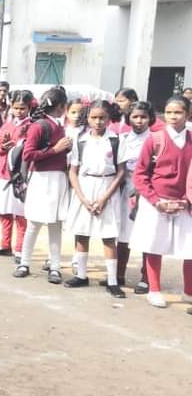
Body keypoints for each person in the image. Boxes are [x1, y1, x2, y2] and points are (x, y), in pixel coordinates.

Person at [131, 96, 192, 308]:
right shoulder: (154, 139)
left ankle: (189, 292)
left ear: (188, 114)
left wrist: (187, 200)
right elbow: (140, 174)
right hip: (156, 203)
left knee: (189, 248)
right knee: (154, 245)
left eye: (178, 112)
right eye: (169, 112)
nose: (173, 116)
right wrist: (156, 201)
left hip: (185, 204)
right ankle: (154, 290)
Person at [63, 101, 126, 297]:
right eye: (94, 117)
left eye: (102, 117)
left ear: (109, 118)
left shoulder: (116, 140)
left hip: (107, 188)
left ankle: (112, 280)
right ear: (88, 118)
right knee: (82, 233)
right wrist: (82, 198)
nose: (98, 122)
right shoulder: (80, 140)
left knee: (108, 236)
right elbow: (73, 171)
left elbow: (121, 171)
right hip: (85, 187)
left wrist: (104, 198)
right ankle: (81, 275)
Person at [14, 87, 72, 283]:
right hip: (42, 179)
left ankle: (55, 266)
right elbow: (28, 154)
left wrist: (65, 149)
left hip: (58, 179)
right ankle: (24, 262)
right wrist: (55, 149)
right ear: (62, 107)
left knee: (55, 224)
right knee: (34, 224)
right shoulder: (40, 126)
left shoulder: (59, 126)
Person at [0, 90, 33, 262]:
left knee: (21, 213)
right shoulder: (7, 124)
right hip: (3, 172)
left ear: (29, 108)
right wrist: (3, 147)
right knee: (4, 210)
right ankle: (5, 244)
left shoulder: (31, 126)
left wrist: (16, 147)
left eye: (23, 108)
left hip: (20, 174)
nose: (19, 111)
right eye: (16, 107)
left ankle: (20, 249)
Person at [117, 101, 154, 292]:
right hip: (126, 190)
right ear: (128, 118)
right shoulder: (122, 139)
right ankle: (119, 274)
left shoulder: (155, 139)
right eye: (135, 117)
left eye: (143, 117)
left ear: (150, 118)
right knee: (123, 232)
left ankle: (146, 277)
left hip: (148, 191)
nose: (139, 121)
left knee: (147, 234)